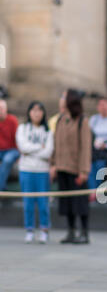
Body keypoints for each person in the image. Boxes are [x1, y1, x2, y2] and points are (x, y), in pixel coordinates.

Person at [50, 89, 92, 244]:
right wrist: (53, 164)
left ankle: (84, 232)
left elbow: (85, 147)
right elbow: (56, 144)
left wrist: (83, 171)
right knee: (66, 202)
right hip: (62, 167)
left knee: (80, 202)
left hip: (76, 169)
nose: (61, 99)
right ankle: (71, 231)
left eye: (63, 96)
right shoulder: (60, 119)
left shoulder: (82, 120)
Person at [16, 101, 53, 244]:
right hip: (26, 170)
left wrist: (31, 151)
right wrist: (39, 147)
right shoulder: (23, 128)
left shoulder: (48, 131)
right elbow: (22, 147)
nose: (36, 113)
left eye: (39, 110)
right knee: (28, 202)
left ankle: (44, 229)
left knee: (43, 202)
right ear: (29, 112)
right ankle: (29, 230)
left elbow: (48, 151)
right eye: (33, 110)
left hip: (42, 170)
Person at [0, 99, 20, 191]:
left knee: (7, 160)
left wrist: (20, 154)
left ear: (6, 109)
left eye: (1, 108)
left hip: (12, 150)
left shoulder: (12, 120)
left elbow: (18, 138)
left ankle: (1, 188)